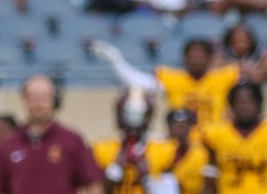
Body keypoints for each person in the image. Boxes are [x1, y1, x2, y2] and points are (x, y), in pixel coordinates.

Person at [92, 38, 241, 127]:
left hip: (214, 140)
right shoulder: (172, 78)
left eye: (200, 56)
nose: (196, 60)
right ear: (184, 58)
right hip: (182, 142)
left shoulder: (224, 77)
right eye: (192, 56)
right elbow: (139, 81)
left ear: (210, 58)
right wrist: (116, 60)